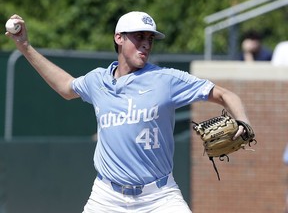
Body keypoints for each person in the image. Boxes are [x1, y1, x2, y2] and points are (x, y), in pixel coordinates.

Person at [6, 12, 251, 213]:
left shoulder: (165, 79)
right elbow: (65, 87)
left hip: (159, 197)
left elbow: (225, 95)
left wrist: (243, 120)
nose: (146, 42)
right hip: (107, 197)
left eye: (150, 38)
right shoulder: (97, 81)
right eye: (139, 36)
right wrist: (25, 46)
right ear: (119, 38)